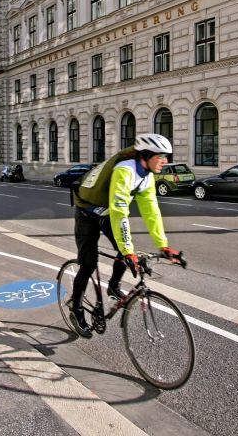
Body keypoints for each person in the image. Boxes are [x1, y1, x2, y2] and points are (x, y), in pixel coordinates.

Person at [69, 133, 184, 338]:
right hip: (87, 212)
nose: (166, 161)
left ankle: (113, 286)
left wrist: (163, 245)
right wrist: (127, 250)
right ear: (147, 155)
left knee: (126, 251)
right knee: (88, 264)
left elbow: (151, 211)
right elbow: (119, 211)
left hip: (107, 213)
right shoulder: (125, 170)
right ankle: (76, 311)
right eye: (162, 156)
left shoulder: (146, 176)